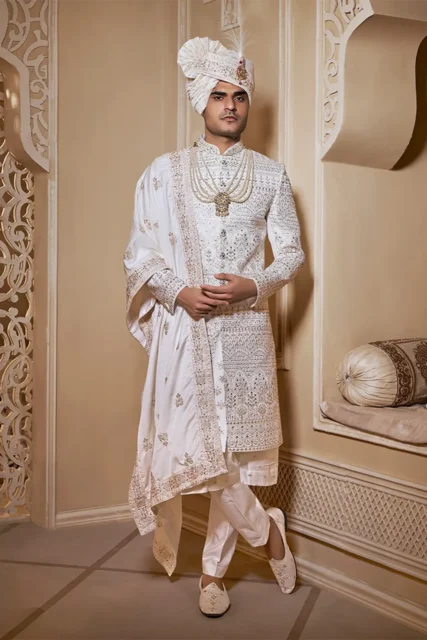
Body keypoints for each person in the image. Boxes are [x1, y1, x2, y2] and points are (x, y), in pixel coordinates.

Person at [123, 36, 305, 617]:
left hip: (247, 332)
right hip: (189, 332)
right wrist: (177, 291)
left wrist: (256, 285)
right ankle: (268, 535)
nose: (231, 105)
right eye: (220, 95)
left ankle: (212, 574)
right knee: (202, 457)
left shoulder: (272, 176)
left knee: (235, 460)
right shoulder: (164, 173)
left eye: (240, 96)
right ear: (201, 102)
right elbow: (140, 253)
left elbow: (292, 254)